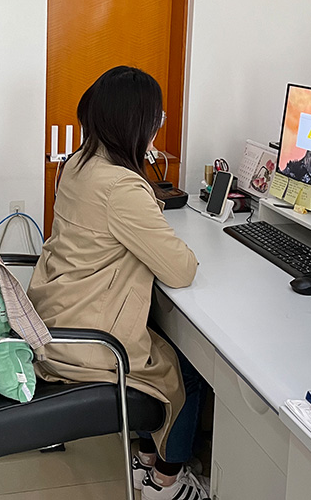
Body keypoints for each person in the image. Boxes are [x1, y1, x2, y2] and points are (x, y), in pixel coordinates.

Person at [27, 66, 209, 500]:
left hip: (57, 313)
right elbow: (181, 270)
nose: (158, 127)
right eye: (156, 119)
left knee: (165, 340)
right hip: (88, 339)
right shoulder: (122, 187)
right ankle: (166, 480)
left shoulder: (77, 163)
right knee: (190, 370)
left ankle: (145, 457)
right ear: (136, 124)